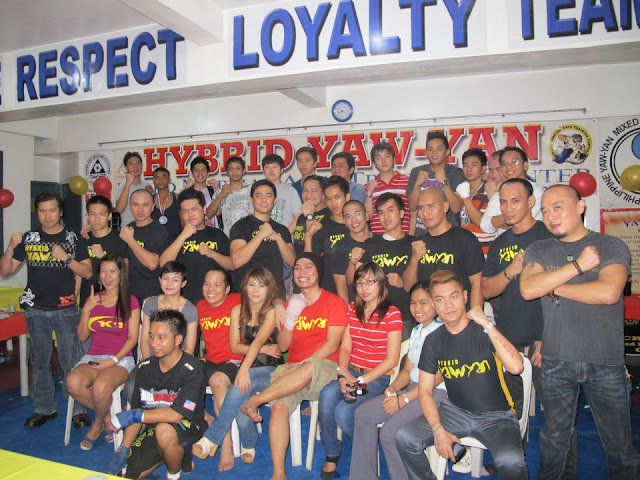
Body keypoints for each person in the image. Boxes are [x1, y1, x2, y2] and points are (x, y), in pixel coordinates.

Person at [520, 184, 640, 480]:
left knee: (620, 447)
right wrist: (578, 266)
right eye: (545, 210)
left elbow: (608, 292)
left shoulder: (610, 245)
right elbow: (528, 289)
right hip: (556, 360)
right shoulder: (539, 249)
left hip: (606, 361)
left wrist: (553, 286)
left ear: (580, 206)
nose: (550, 215)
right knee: (554, 443)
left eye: (558, 207)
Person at [396, 270, 527, 480]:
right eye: (440, 299)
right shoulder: (433, 340)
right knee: (405, 438)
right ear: (434, 304)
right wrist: (438, 430)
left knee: (511, 461)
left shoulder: (483, 331)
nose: (448, 305)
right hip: (455, 412)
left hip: (496, 416)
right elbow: (425, 391)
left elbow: (516, 367)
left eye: (454, 296)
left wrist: (488, 325)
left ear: (465, 297)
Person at [239, 253, 347, 480]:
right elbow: (283, 345)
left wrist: (301, 367)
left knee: (307, 368)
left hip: (323, 368)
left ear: (318, 272)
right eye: (297, 268)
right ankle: (278, 473)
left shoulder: (334, 302)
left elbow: (332, 345)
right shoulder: (290, 304)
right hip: (292, 369)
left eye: (308, 267)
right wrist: (291, 318)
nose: (302, 272)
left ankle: (256, 401)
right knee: (279, 407)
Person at [0, 191, 92, 428]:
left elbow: (87, 272)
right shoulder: (29, 238)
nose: (47, 215)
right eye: (42, 211)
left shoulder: (73, 237)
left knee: (70, 361)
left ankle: (77, 409)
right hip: (36, 309)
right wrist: (10, 248)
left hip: (65, 308)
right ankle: (44, 408)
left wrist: (65, 258)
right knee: (39, 361)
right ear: (37, 213)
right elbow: (5, 271)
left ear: (60, 212)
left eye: (52, 210)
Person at [350, 281, 445, 480]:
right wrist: (393, 387)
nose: (417, 308)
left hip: (434, 394)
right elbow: (408, 369)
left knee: (390, 433)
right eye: (413, 303)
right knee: (363, 414)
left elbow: (437, 378)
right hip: (412, 389)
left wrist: (403, 400)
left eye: (423, 303)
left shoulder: (443, 332)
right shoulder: (418, 331)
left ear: (436, 303)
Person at [192, 268, 284, 468]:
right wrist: (248, 366)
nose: (255, 290)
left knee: (238, 387)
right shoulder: (238, 310)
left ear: (269, 288)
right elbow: (235, 346)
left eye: (261, 285)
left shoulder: (271, 311)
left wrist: (243, 369)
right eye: (251, 285)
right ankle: (249, 439)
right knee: (240, 401)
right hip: (248, 367)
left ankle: (212, 437)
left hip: (270, 371)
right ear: (245, 287)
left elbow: (258, 340)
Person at [318, 262, 403, 479]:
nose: (364, 288)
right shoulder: (351, 309)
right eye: (359, 283)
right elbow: (346, 347)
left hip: (377, 377)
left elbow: (392, 360)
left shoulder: (392, 313)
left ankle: (365, 450)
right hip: (352, 372)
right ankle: (332, 452)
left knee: (344, 413)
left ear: (381, 283)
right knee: (326, 395)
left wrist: (361, 380)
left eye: (370, 282)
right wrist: (342, 374)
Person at [481, 178, 552, 417]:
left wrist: (549, 337)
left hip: (544, 341)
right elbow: (486, 290)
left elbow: (563, 288)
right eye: (503, 202)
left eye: (515, 201)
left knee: (557, 418)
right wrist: (510, 271)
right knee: (514, 413)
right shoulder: (499, 243)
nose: (508, 208)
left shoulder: (548, 236)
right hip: (510, 339)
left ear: (531, 202)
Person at [108, 310, 208, 479]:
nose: (153, 343)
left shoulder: (193, 369)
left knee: (164, 432)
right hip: (153, 426)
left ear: (178, 340)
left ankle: (173, 473)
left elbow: (176, 415)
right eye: (151, 336)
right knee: (121, 474)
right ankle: (174, 453)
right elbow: (137, 411)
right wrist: (123, 448)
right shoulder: (145, 368)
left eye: (161, 337)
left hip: (187, 424)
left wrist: (134, 415)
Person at [66, 254, 140, 450]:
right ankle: (107, 416)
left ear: (121, 274)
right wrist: (85, 311)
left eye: (112, 272)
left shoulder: (130, 301)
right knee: (72, 383)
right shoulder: (93, 300)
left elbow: (133, 338)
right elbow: (82, 337)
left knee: (100, 388)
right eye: (103, 272)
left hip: (121, 359)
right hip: (93, 356)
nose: (107, 277)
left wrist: (113, 360)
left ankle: (97, 424)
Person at [402, 188, 485, 311]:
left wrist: (475, 317)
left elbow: (477, 283)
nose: (425, 213)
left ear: (445, 207)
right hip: (428, 316)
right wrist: (414, 260)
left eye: (431, 206)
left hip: (458, 315)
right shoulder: (417, 243)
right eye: (420, 208)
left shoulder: (464, 239)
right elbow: (408, 287)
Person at [347, 193, 414, 339]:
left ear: (402, 213)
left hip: (404, 316)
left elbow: (422, 283)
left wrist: (403, 282)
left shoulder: (413, 244)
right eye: (381, 213)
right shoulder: (371, 244)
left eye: (390, 210)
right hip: (376, 316)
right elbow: (351, 280)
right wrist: (352, 263)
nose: (386, 217)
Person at [197, 268, 245, 471]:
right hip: (210, 360)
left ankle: (226, 443)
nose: (211, 289)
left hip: (235, 360)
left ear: (227, 289)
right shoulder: (200, 306)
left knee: (217, 381)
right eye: (207, 284)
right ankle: (209, 419)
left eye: (217, 285)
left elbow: (268, 297)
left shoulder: (238, 300)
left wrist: (278, 305)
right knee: (181, 376)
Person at [159, 188, 233, 304]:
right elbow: (163, 264)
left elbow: (232, 265)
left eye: (194, 209)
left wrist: (212, 254)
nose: (190, 215)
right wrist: (184, 235)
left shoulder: (217, 235)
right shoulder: (175, 237)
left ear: (204, 209)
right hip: (184, 303)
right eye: (185, 211)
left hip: (212, 301)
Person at [230, 179, 295, 294]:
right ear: (251, 200)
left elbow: (292, 261)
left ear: (275, 201)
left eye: (268, 196)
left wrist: (278, 238)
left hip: (275, 292)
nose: (264, 200)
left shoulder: (281, 230)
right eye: (259, 196)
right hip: (248, 293)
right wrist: (261, 235)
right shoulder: (241, 226)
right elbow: (237, 261)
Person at [406, 131, 464, 234]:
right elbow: (412, 207)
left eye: (439, 148)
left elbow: (456, 208)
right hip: (422, 234)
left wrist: (445, 182)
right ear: (426, 152)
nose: (434, 152)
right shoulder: (417, 172)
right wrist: (417, 185)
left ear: (447, 152)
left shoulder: (456, 173)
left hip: (448, 235)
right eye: (430, 149)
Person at [77, 195, 128, 310]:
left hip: (113, 302)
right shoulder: (83, 239)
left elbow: (125, 272)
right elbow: (78, 274)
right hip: (87, 300)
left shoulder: (120, 240)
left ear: (109, 216)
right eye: (92, 214)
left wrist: (104, 257)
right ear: (87, 215)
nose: (97, 219)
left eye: (102, 214)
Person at [139, 261, 198, 359]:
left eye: (175, 280)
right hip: (153, 359)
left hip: (179, 362)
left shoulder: (190, 310)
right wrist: (149, 363)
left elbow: (189, 348)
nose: (169, 284)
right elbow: (145, 340)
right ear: (160, 280)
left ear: (183, 283)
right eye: (165, 278)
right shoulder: (150, 304)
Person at [120, 189, 170, 305]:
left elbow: (152, 264)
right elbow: (123, 265)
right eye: (135, 204)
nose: (140, 209)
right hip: (130, 295)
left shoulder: (159, 230)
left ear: (152, 207)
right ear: (130, 206)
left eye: (145, 205)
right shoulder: (127, 229)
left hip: (153, 294)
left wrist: (130, 240)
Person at [480, 147, 544, 236]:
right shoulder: (498, 194)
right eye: (504, 164)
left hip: (531, 243)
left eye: (514, 162)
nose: (509, 167)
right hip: (504, 243)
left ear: (525, 165)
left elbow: (519, 223)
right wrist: (509, 218)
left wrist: (498, 221)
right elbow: (484, 225)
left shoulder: (536, 192)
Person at [306, 175, 350, 294]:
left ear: (347, 197)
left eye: (337, 197)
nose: (333, 203)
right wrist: (309, 236)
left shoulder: (358, 225)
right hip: (330, 292)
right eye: (328, 199)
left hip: (360, 290)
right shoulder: (322, 227)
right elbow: (309, 260)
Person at [332, 200, 375, 304]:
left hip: (383, 307)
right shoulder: (339, 248)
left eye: (357, 214)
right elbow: (341, 286)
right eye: (348, 216)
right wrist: (347, 312)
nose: (354, 220)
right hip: (356, 307)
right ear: (345, 222)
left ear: (367, 216)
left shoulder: (381, 242)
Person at [365, 142, 412, 235]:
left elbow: (413, 212)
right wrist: (369, 193)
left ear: (393, 159)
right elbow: (368, 216)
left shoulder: (407, 181)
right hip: (379, 238)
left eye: (387, 156)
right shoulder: (368, 186)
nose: (383, 161)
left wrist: (411, 237)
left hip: (403, 237)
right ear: (374, 163)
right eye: (378, 157)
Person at [455, 148, 494, 256]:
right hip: (466, 251)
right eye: (466, 165)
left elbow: (481, 222)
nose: (469, 169)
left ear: (483, 168)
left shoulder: (489, 191)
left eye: (474, 165)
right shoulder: (462, 189)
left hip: (485, 252)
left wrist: (466, 197)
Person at [209, 156, 253, 237]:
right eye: (231, 169)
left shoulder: (252, 190)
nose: (234, 172)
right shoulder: (221, 192)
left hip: (250, 237)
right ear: (226, 171)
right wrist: (221, 195)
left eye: (238, 168)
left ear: (244, 170)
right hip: (229, 238)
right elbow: (209, 215)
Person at [292, 175, 330, 258]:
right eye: (305, 191)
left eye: (314, 191)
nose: (308, 195)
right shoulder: (302, 217)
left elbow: (319, 248)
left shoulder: (330, 216)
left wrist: (309, 216)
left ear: (324, 194)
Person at [262, 154, 302, 231]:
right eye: (267, 167)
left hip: (284, 237)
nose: (271, 170)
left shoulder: (290, 191)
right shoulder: (258, 191)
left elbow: (297, 216)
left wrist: (285, 235)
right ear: (263, 170)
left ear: (281, 170)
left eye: (275, 167)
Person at [115, 152, 153, 228]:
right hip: (128, 229)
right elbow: (119, 209)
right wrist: (128, 184)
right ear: (126, 168)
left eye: (138, 163)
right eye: (131, 164)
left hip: (145, 229)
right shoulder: (123, 186)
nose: (135, 166)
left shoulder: (147, 186)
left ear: (142, 166)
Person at [185, 156, 220, 228]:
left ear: (208, 173)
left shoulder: (212, 190)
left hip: (214, 231)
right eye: (196, 170)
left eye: (203, 170)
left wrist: (217, 190)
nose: (200, 173)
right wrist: (186, 190)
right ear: (192, 174)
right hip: (194, 231)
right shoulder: (188, 192)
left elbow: (218, 212)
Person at [150, 167, 181, 241]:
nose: (160, 180)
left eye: (163, 177)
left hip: (175, 241)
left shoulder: (177, 198)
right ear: (153, 181)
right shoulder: (149, 200)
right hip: (155, 242)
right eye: (157, 178)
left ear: (169, 180)